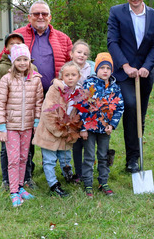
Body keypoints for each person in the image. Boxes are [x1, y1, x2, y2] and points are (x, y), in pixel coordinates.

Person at [0, 0, 73, 188]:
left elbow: (71, 63)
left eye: (44, 14)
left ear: (50, 17)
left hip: (53, 96)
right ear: (29, 17)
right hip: (23, 96)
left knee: (50, 132)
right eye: (36, 14)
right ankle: (20, 176)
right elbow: (5, 56)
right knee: (22, 131)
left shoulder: (63, 38)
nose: (40, 17)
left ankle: (60, 168)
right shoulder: (20, 36)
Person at [107, 0, 154, 173]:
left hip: (145, 74)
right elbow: (112, 42)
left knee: (141, 114)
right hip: (124, 73)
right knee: (130, 106)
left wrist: (147, 66)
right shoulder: (117, 12)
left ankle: (135, 156)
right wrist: (126, 65)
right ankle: (131, 159)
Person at [0, 44, 43, 207]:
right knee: (13, 159)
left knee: (23, 158)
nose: (22, 63)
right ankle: (13, 191)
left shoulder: (35, 79)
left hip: (27, 126)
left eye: (25, 59)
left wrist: (36, 122)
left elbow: (38, 103)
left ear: (30, 61)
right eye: (19, 59)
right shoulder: (6, 79)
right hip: (11, 127)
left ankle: (21, 187)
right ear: (13, 61)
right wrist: (1, 127)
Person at [0, 32, 33, 190]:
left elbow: (35, 96)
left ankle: (26, 178)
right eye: (11, 44)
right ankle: (7, 180)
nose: (15, 46)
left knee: (26, 152)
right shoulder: (2, 70)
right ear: (6, 48)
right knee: (6, 150)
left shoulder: (31, 68)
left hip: (26, 120)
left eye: (18, 43)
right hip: (9, 121)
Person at [32, 61, 82, 197]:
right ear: (62, 77)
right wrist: (58, 130)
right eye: (67, 75)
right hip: (50, 131)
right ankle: (53, 184)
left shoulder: (79, 92)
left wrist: (71, 130)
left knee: (65, 157)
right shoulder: (55, 90)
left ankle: (68, 176)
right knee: (49, 159)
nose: (70, 77)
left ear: (79, 76)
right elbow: (48, 112)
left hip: (67, 132)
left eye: (73, 75)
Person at [79, 53, 124, 197]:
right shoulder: (89, 85)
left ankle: (103, 181)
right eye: (102, 68)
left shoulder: (115, 88)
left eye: (108, 68)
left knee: (103, 156)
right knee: (89, 156)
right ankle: (87, 183)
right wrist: (83, 127)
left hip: (105, 129)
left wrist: (112, 124)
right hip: (90, 129)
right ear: (96, 69)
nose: (105, 71)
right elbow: (81, 106)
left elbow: (119, 107)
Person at [69, 40, 96, 182]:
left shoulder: (91, 68)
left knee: (88, 139)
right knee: (76, 141)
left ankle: (88, 171)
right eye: (79, 52)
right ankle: (78, 172)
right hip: (73, 109)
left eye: (85, 54)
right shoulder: (67, 68)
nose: (82, 55)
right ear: (72, 54)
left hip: (89, 109)